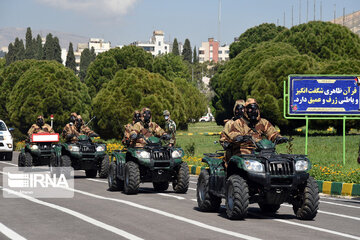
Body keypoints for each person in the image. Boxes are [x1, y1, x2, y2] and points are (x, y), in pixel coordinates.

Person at [219, 100, 245, 166]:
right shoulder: (230, 124)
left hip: (249, 153)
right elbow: (223, 137)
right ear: (234, 110)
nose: (240, 111)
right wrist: (226, 144)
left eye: (242, 109)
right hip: (233, 153)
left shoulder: (250, 124)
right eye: (237, 109)